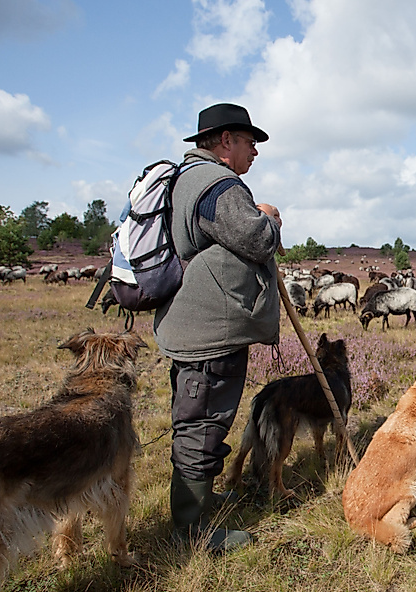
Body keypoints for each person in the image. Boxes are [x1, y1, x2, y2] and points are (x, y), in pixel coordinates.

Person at [153, 103, 282, 551]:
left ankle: (201, 503)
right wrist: (268, 216)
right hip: (210, 335)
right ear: (225, 140)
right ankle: (191, 533)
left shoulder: (187, 178)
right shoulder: (219, 184)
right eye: (250, 142)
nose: (255, 152)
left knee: (201, 420)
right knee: (202, 424)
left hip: (197, 329)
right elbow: (257, 239)